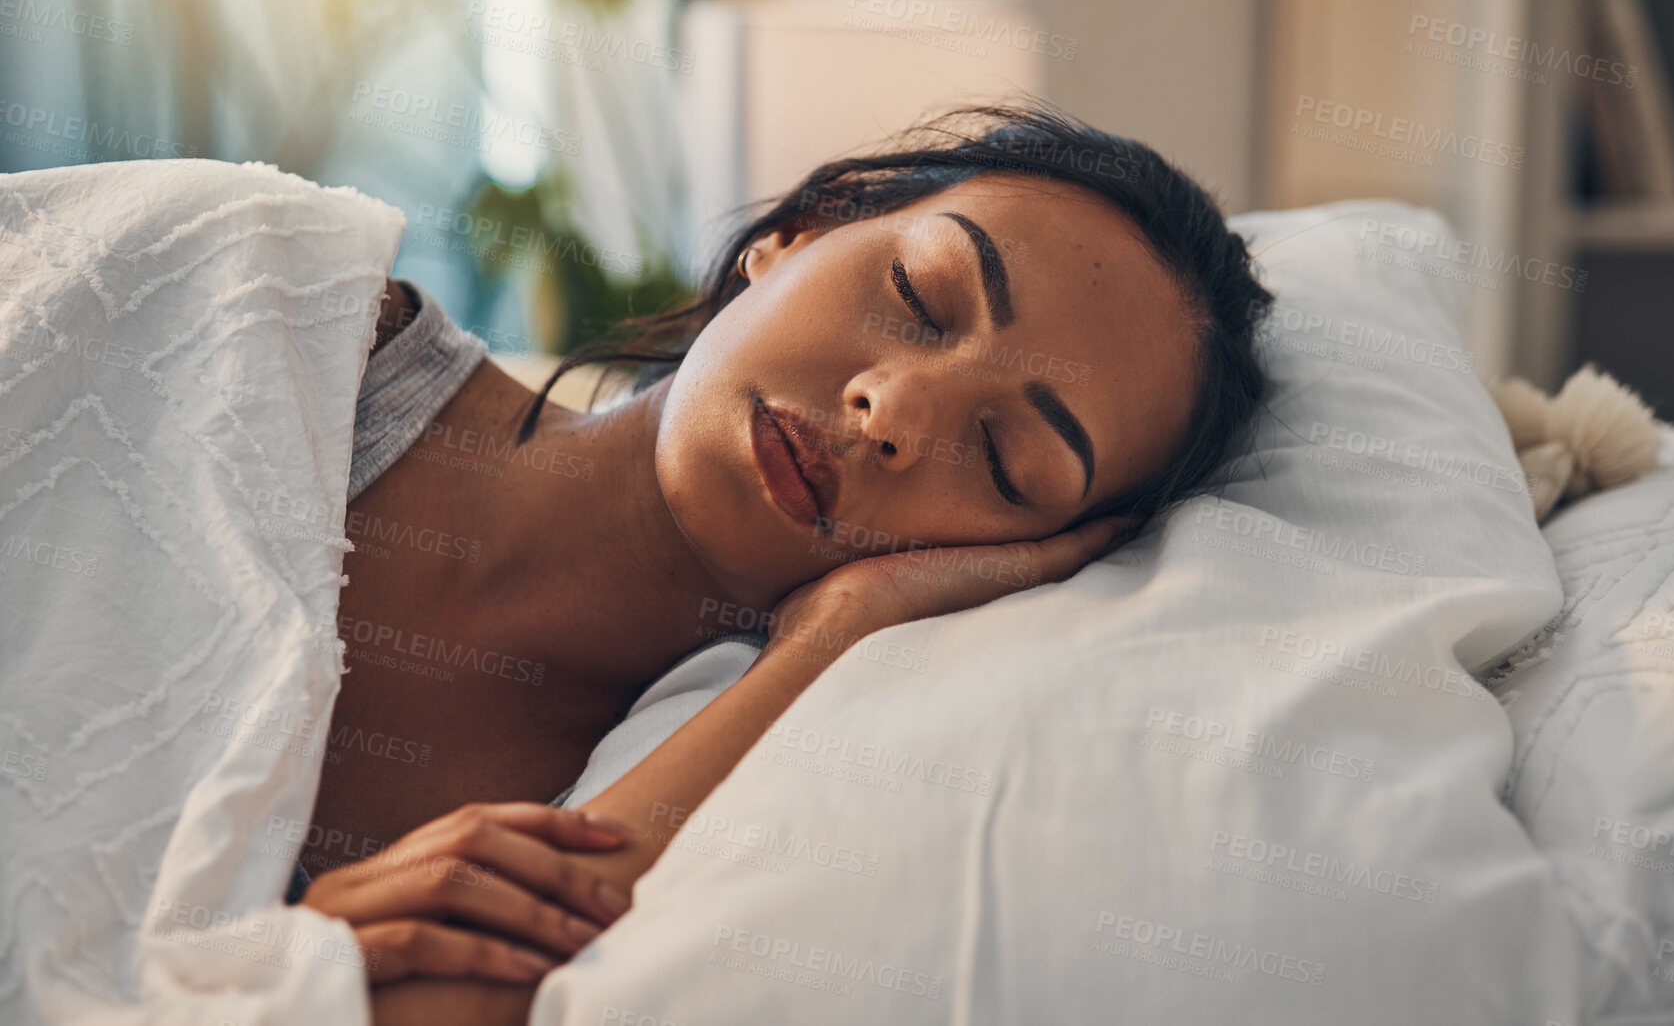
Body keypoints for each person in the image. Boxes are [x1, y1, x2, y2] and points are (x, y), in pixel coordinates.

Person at [294, 103, 1274, 1024]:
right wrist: (286, 965)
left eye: (1004, 462)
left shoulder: (672, 780)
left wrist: (834, 634)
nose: (892, 413)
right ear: (801, 229)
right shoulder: (273, 319)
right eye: (922, 302)